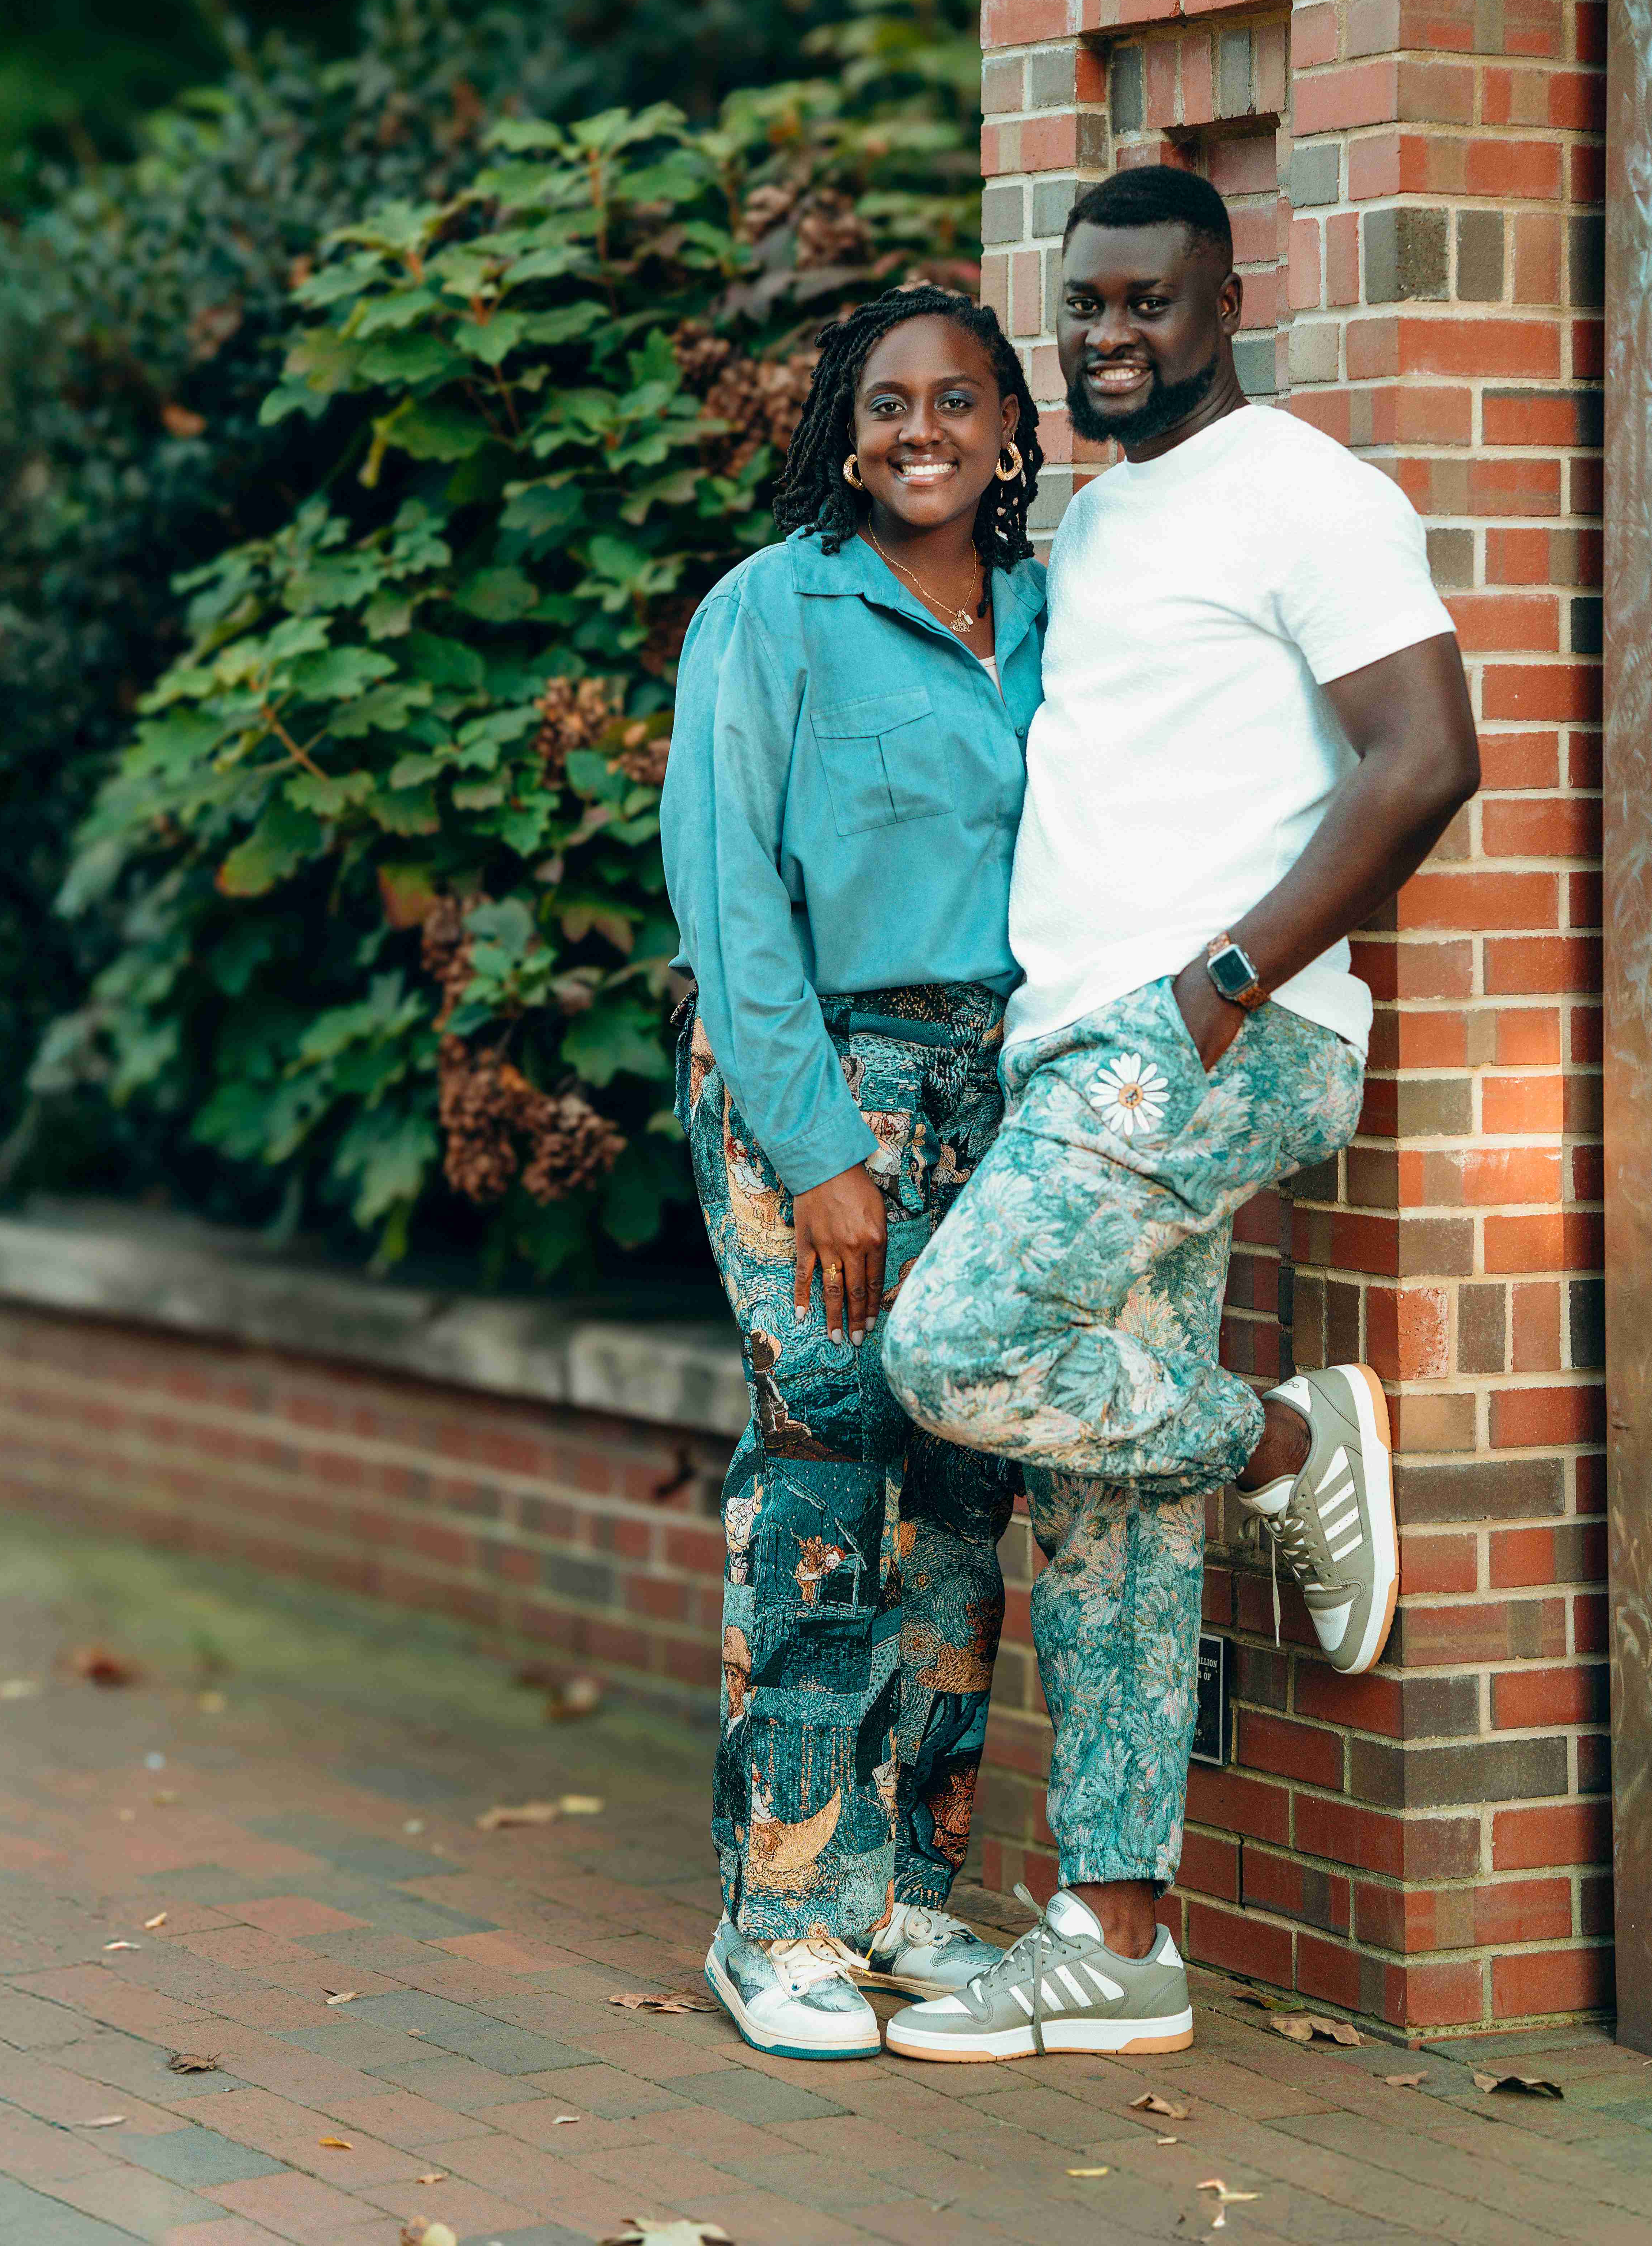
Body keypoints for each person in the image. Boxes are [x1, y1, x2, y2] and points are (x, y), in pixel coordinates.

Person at [877, 164, 1479, 2061]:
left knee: (949, 1345)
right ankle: (1115, 1931)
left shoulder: (1308, 495)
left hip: (1207, 1037)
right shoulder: (1105, 520)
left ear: (1226, 301)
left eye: (1147, 301)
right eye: (1086, 306)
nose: (1108, 333)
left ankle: (1287, 1446)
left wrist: (1222, 985)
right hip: (1095, 1050)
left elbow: (1426, 757)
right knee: (1101, 1499)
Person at [659, 283, 1047, 2061]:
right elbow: (731, 896)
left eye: (955, 400)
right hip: (816, 1078)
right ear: (842, 426)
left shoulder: (1050, 614)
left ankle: (907, 1897)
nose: (919, 431)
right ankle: (785, 1916)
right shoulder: (773, 610)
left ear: (1009, 431)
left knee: (965, 1483)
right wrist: (822, 1150)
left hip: (1005, 1089)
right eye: (885, 403)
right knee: (824, 1475)